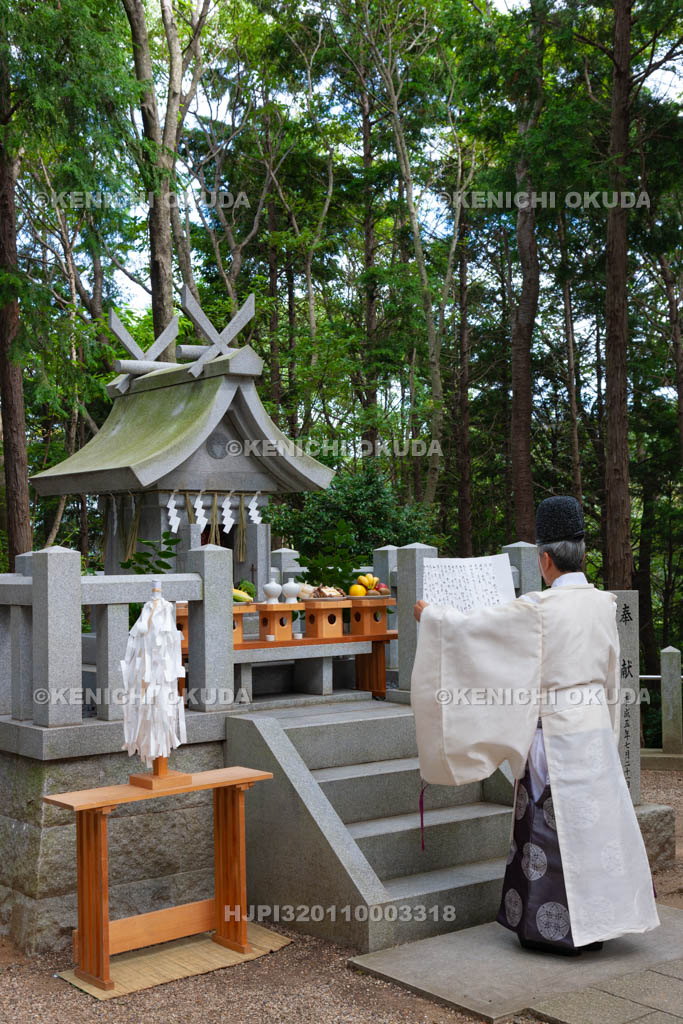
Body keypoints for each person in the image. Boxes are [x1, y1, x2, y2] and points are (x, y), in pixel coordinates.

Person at [412, 496, 659, 955]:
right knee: (597, 828)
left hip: (554, 731)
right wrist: (606, 730)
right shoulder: (603, 604)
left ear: (545, 559)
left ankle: (554, 929)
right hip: (592, 728)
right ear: (581, 555)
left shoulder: (538, 609)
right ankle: (600, 924)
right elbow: (610, 679)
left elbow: (475, 631)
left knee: (551, 825)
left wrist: (431, 617)